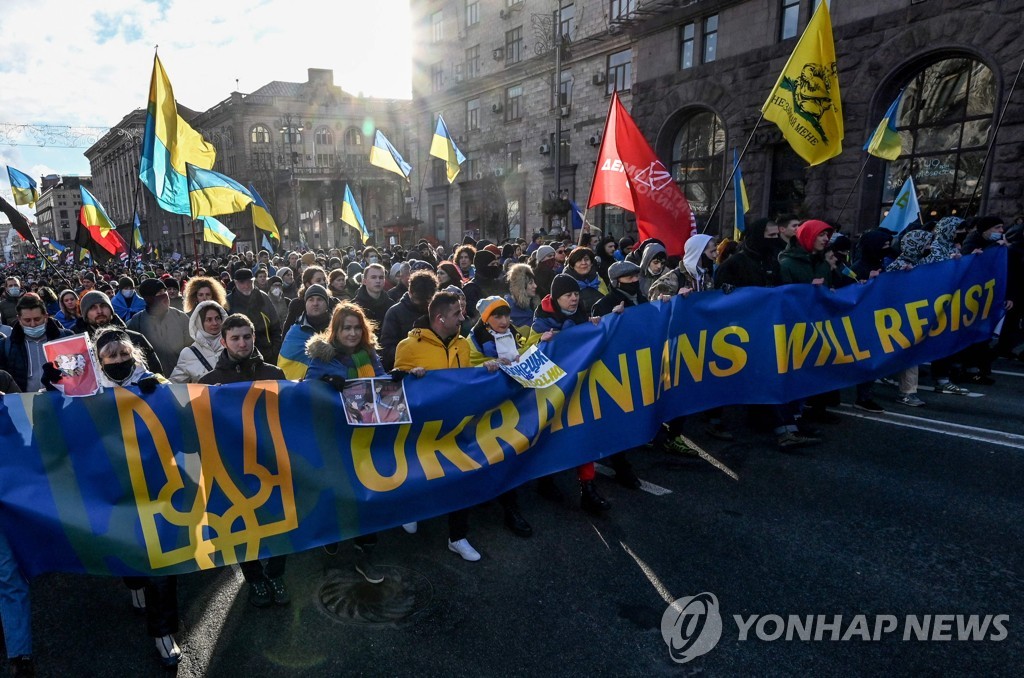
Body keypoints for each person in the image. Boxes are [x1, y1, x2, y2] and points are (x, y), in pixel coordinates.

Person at [87, 328, 181, 666]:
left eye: (123, 355)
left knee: (161, 559)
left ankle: (163, 632)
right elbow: (56, 415)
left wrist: (161, 394)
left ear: (134, 356)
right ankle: (133, 582)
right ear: (99, 362)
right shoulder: (90, 392)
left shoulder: (152, 382)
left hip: (157, 486)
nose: (118, 361)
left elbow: (184, 412)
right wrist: (51, 382)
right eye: (110, 357)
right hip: (114, 487)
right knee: (126, 545)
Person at [393, 291, 503, 560]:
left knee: (461, 475)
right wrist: (409, 375)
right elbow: (397, 390)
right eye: (457, 313)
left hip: (456, 424)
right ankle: (412, 508)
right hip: (423, 429)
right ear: (440, 318)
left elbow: (465, 381)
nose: (463, 318)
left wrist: (486, 370)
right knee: (420, 471)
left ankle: (458, 537)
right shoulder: (408, 346)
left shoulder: (463, 345)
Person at [199, 315, 290, 607]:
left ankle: (276, 574)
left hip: (272, 462)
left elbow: (290, 415)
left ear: (253, 338)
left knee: (279, 521)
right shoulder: (208, 383)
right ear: (223, 342)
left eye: (247, 337)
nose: (242, 343)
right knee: (240, 527)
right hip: (232, 469)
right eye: (235, 338)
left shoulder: (274, 374)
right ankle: (254, 579)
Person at [304, 303, 389, 583]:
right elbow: (305, 394)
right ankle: (330, 532)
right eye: (346, 328)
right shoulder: (322, 359)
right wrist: (325, 384)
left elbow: (381, 386)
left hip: (366, 438)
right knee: (337, 492)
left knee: (368, 495)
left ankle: (365, 554)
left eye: (356, 328)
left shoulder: (370, 355)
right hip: (335, 439)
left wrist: (395, 378)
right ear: (336, 331)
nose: (352, 333)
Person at [530, 275, 611, 512]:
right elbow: (526, 350)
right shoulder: (540, 322)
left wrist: (596, 324)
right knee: (552, 436)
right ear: (556, 298)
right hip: (552, 391)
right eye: (568, 295)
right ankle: (546, 480)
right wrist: (540, 342)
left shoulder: (581, 317)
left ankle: (588, 488)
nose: (574, 298)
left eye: (576, 293)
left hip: (579, 387)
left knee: (584, 433)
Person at [466, 296, 533, 537]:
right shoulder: (472, 342)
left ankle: (509, 506)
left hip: (514, 407)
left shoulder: (515, 333)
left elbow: (527, 350)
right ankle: (499, 503)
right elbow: (465, 368)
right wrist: (487, 365)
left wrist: (541, 342)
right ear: (486, 320)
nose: (504, 321)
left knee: (509, 453)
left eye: (506, 315)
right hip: (487, 411)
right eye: (497, 316)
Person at [74, 290, 162, 373]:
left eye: (103, 306)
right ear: (85, 314)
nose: (99, 311)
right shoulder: (78, 345)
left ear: (111, 310)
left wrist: (152, 381)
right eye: (93, 308)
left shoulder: (135, 338)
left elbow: (157, 374)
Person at [0, 293, 71, 392]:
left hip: (61, 401)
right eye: (27, 320)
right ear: (19, 319)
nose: (33, 324)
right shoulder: (6, 346)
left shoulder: (66, 338)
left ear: (46, 317)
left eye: (37, 319)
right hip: (23, 403)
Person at [127, 278, 192, 378]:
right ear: (149, 298)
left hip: (182, 379)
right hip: (153, 382)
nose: (164, 295)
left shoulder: (181, 317)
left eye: (164, 291)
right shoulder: (136, 322)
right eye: (159, 293)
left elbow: (191, 348)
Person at [379, 270, 438, 371]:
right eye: (420, 300)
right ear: (410, 292)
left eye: (428, 299)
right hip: (407, 370)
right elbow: (387, 348)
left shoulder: (436, 311)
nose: (424, 304)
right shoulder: (395, 313)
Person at [225, 269, 282, 364]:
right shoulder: (228, 302)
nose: (246, 285)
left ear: (253, 281)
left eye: (249, 282)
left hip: (267, 355)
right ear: (235, 282)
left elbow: (275, 326)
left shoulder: (263, 298)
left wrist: (275, 350)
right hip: (240, 356)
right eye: (242, 282)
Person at [277, 285, 334, 380]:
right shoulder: (295, 332)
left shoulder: (337, 329)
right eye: (311, 299)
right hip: (301, 389)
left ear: (327, 304)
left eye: (320, 299)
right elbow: (285, 366)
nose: (315, 303)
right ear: (305, 304)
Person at [168, 301, 227, 383]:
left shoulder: (233, 345)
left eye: (217, 318)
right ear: (200, 323)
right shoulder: (188, 353)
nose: (215, 323)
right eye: (209, 320)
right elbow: (174, 384)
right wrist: (157, 385)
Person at [563, 247, 608, 316]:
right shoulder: (565, 283)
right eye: (579, 260)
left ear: (592, 262)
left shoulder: (598, 278)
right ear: (572, 264)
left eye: (586, 259)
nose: (584, 263)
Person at [353, 263, 393, 331]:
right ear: (364, 281)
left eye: (381, 277)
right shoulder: (355, 307)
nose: (378, 281)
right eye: (373, 277)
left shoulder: (391, 305)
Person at [505, 263, 540, 336]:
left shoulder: (535, 305)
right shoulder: (509, 310)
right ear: (521, 287)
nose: (535, 286)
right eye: (530, 283)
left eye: (534, 282)